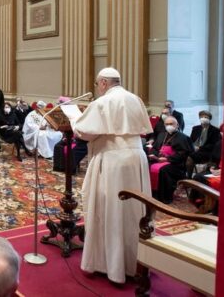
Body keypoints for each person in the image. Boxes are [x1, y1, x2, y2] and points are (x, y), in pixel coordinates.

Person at [70, 67, 152, 284]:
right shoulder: (135, 99)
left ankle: (111, 266)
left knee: (111, 211)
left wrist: (73, 118)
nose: (98, 88)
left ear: (104, 82)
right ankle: (135, 262)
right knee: (134, 210)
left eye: (98, 84)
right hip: (137, 158)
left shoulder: (103, 102)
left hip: (113, 160)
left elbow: (85, 132)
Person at [147, 117, 193, 204]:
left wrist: (168, 159)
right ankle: (152, 195)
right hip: (159, 160)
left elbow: (183, 154)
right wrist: (154, 156)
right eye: (167, 124)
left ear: (177, 125)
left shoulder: (183, 138)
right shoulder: (161, 135)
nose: (169, 126)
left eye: (171, 124)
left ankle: (164, 197)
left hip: (176, 164)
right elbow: (155, 148)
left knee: (164, 170)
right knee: (147, 165)